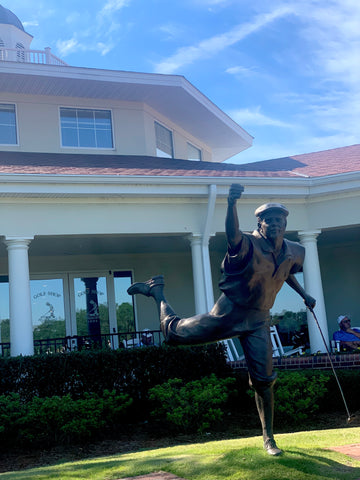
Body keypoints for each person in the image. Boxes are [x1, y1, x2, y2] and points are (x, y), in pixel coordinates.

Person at [127, 184, 316, 456]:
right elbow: (232, 236)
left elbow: (284, 271)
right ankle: (157, 292)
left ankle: (269, 438)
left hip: (259, 319)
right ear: (259, 224)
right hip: (229, 314)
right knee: (174, 335)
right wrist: (230, 204)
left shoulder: (294, 250)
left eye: (279, 220)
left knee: (264, 380)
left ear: (286, 222)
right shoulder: (248, 244)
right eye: (269, 220)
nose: (275, 224)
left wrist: (304, 294)